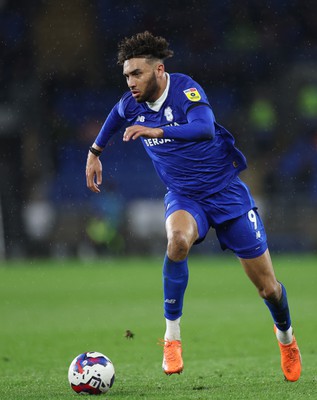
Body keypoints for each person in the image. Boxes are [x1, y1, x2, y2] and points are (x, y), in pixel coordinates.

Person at [85, 31, 301, 381]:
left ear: (159, 70)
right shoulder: (131, 103)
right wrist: (94, 153)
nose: (130, 82)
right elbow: (114, 115)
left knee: (268, 289)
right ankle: (172, 339)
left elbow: (202, 129)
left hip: (227, 194)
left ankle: (287, 339)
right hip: (185, 196)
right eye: (126, 75)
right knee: (177, 242)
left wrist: (156, 132)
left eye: (137, 73)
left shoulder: (186, 89)